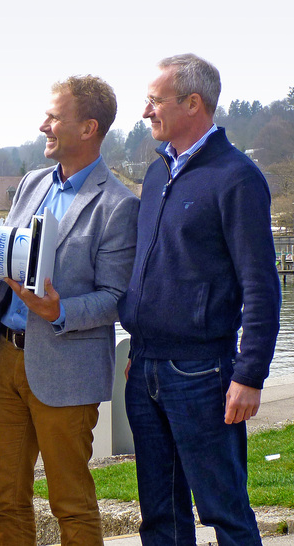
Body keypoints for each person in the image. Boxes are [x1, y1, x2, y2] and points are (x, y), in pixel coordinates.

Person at [118, 54, 280, 546]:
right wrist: (141, 346)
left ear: (193, 103)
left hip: (202, 374)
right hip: (144, 369)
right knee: (160, 518)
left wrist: (249, 375)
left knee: (224, 512)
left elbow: (261, 285)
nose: (145, 111)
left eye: (154, 100)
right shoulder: (154, 173)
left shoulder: (237, 177)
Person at [0, 76, 139, 545]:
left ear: (88, 128)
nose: (43, 124)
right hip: (6, 359)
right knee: (4, 500)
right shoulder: (32, 183)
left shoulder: (119, 206)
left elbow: (114, 298)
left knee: (72, 506)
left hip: (66, 370)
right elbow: (3, 250)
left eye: (53, 117)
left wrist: (58, 310)